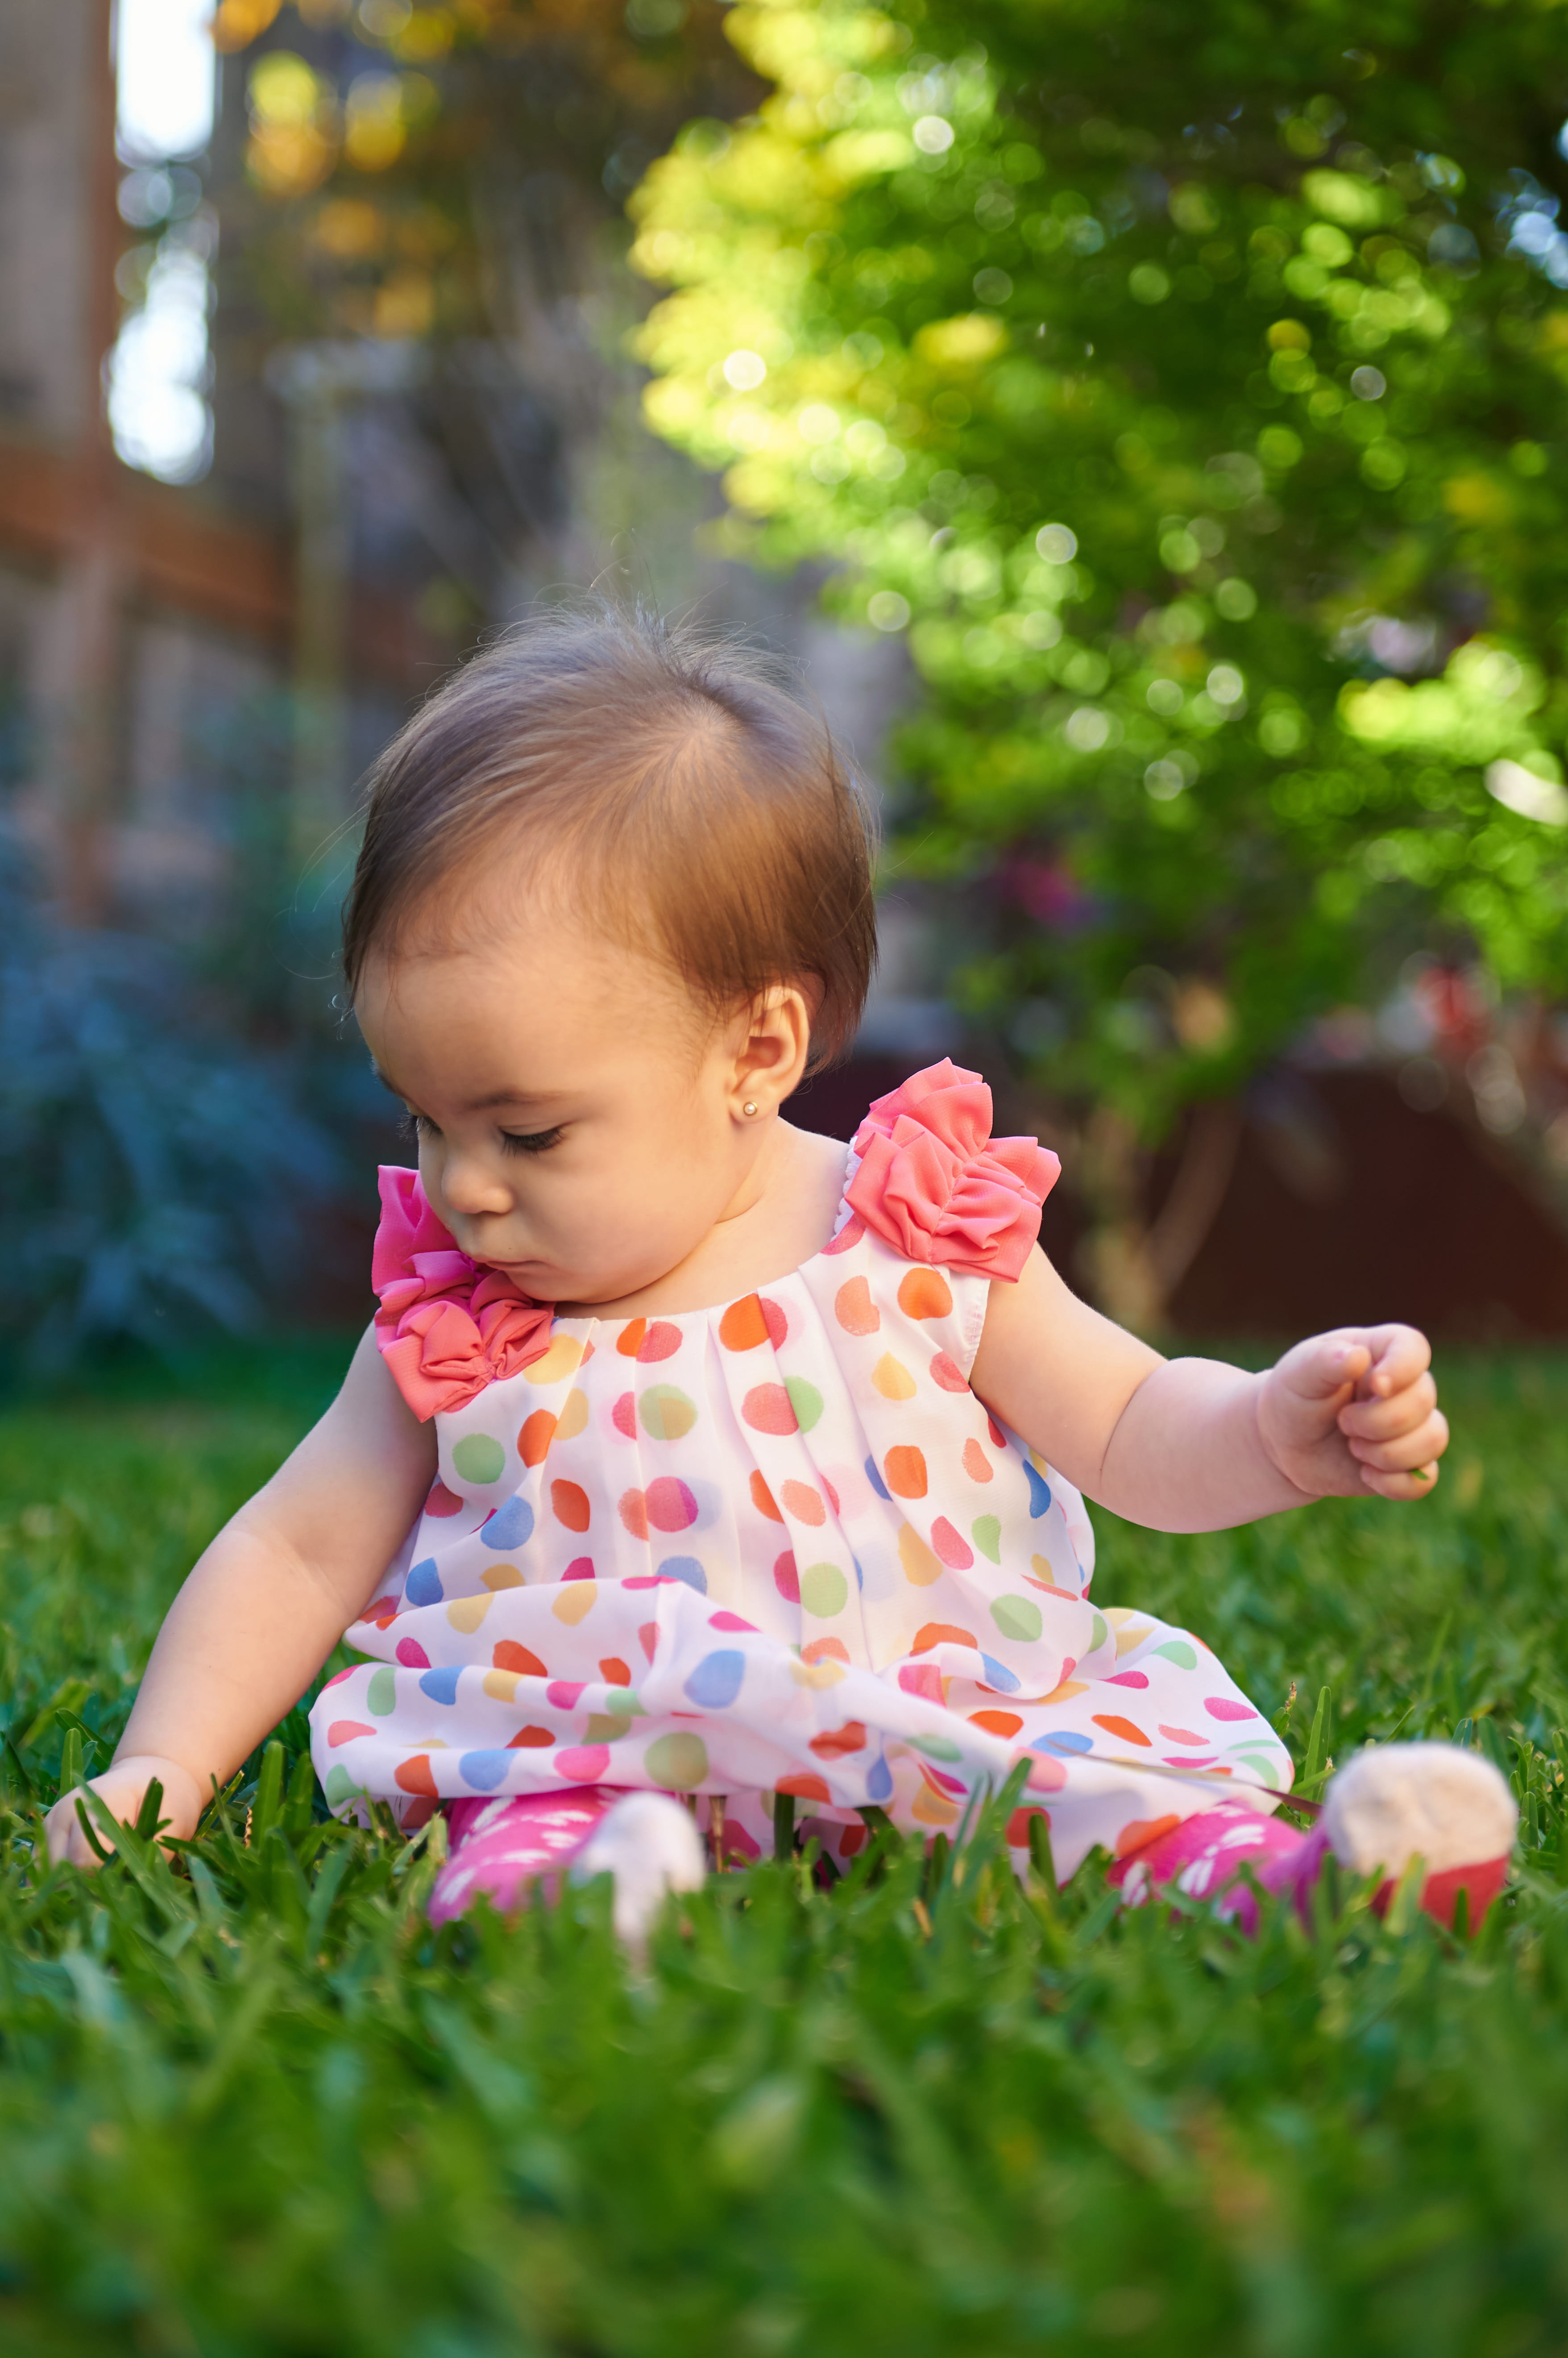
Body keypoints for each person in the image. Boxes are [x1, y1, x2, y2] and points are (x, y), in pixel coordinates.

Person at [45, 606, 1515, 1944]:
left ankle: (1302, 1875)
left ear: (756, 1049)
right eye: (424, 1117)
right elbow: (298, 1549)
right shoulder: (463, 1318)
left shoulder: (912, 1229)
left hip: (941, 1716)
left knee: (1094, 1804)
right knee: (532, 1811)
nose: (464, 1184)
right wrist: (161, 1765)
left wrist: (1269, 1428)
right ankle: (576, 1902)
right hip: (593, 1737)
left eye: (528, 1130)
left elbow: (1127, 1423)